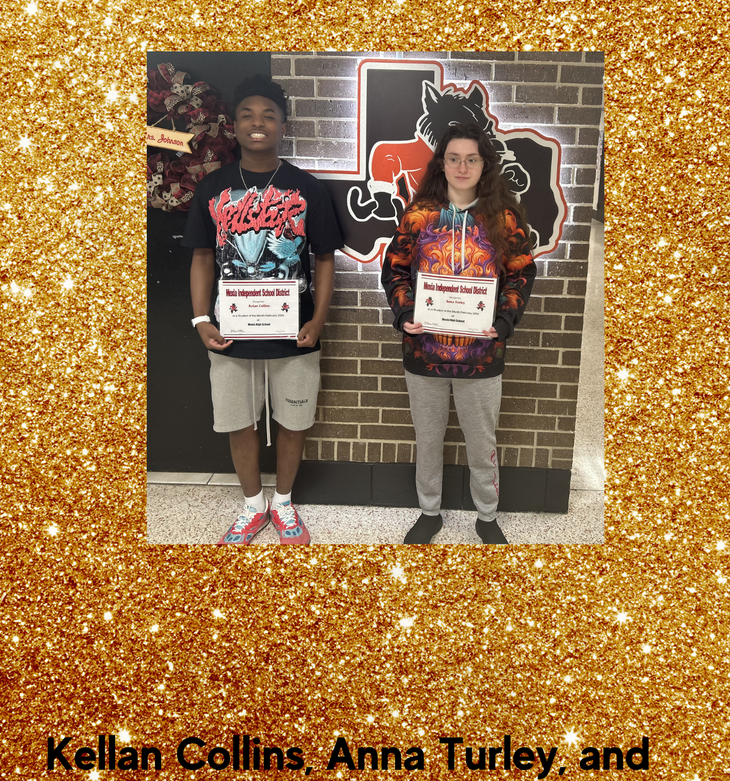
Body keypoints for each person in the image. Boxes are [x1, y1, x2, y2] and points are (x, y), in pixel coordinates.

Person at [184, 75, 343, 545]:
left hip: (295, 332)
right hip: (231, 331)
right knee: (238, 421)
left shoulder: (307, 188)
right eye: (249, 116)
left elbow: (325, 258)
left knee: (294, 421)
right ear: (234, 126)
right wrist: (200, 319)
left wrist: (318, 321)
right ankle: (253, 507)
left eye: (269, 115)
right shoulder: (212, 188)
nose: (259, 124)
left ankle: (285, 504)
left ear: (283, 125)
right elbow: (202, 257)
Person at [381, 123, 537, 545]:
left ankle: (487, 516)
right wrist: (405, 313)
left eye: (471, 158)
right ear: (442, 164)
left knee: (481, 441)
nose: (462, 166)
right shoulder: (418, 217)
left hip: (482, 356)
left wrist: (503, 324)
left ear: (484, 164)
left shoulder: (503, 219)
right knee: (427, 440)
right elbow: (394, 269)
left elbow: (521, 277)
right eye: (454, 158)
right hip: (424, 351)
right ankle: (429, 512)